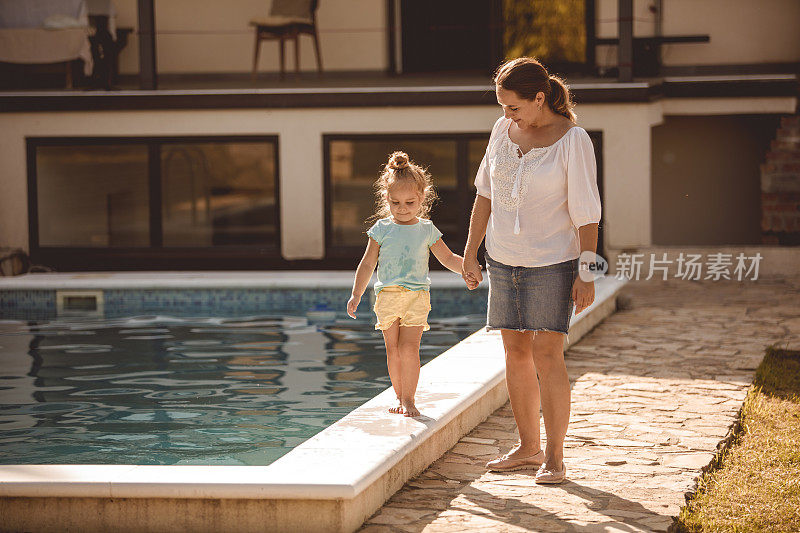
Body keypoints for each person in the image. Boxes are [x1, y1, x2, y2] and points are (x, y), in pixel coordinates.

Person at [462, 57, 602, 484]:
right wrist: (471, 253)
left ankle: (555, 458)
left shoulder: (573, 140)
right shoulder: (501, 131)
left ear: (540, 98)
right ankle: (528, 447)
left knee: (547, 355)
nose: (507, 114)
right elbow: (485, 195)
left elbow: (588, 215)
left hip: (552, 263)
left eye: (514, 107)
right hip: (504, 258)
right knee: (515, 353)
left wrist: (587, 273)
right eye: (503, 106)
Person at [347, 151, 476, 417]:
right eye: (395, 203)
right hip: (387, 297)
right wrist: (356, 294)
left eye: (409, 202)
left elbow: (447, 257)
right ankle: (397, 395)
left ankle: (409, 399)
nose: (402, 209)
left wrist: (467, 270)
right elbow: (368, 263)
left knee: (409, 349)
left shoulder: (427, 229)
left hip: (416, 297)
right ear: (386, 199)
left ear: (421, 199)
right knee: (393, 350)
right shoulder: (381, 229)